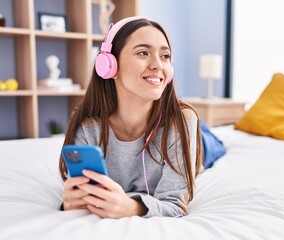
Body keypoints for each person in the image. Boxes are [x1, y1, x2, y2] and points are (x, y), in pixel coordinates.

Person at [59, 16, 203, 219]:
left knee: (213, 148)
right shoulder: (87, 125)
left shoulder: (181, 122)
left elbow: (175, 206)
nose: (157, 65)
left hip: (193, 137)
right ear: (109, 65)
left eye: (165, 56)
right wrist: (70, 202)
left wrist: (132, 207)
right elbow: (79, 192)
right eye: (143, 53)